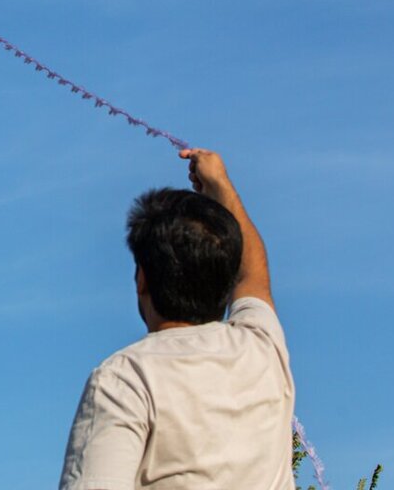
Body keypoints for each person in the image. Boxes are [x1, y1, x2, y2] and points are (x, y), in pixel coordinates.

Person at [58, 148, 295, 490]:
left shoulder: (124, 380)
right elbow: (253, 277)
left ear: (141, 278)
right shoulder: (262, 350)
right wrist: (221, 186)